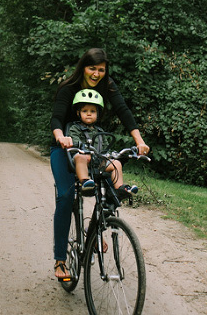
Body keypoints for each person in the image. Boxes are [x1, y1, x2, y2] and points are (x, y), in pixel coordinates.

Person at [50, 48, 150, 282]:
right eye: (92, 68)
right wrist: (60, 136)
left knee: (110, 188)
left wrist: (140, 141)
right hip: (65, 146)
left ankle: (94, 231)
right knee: (65, 196)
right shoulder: (69, 87)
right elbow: (56, 117)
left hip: (93, 146)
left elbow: (123, 111)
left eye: (101, 70)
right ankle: (60, 260)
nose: (96, 74)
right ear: (83, 66)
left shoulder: (108, 85)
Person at [69, 88, 139, 199]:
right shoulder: (75, 128)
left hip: (99, 161)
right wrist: (80, 147)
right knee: (81, 157)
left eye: (92, 111)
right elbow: (73, 141)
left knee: (116, 163)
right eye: (85, 111)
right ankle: (85, 182)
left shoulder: (100, 131)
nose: (88, 114)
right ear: (78, 113)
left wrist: (111, 155)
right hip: (84, 159)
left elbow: (106, 147)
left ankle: (120, 188)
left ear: (98, 114)